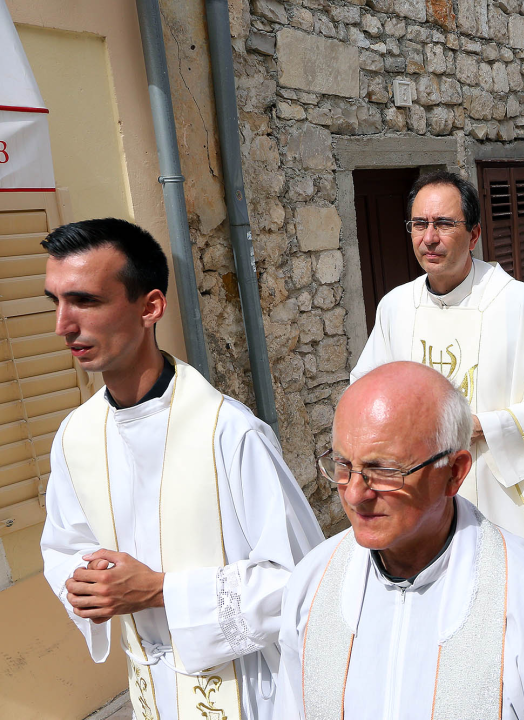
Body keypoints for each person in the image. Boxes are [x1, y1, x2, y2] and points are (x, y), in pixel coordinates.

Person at [38, 219, 324, 720]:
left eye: (85, 301)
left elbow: (301, 583)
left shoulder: (228, 432)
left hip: (245, 691)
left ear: (150, 307)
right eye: (55, 302)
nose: (63, 325)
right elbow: (64, 545)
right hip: (149, 688)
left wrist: (160, 590)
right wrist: (83, 582)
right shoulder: (75, 436)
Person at [275, 362, 524, 719]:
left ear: (454, 472)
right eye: (343, 466)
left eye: (384, 470)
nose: (355, 494)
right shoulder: (312, 586)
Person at [348, 171, 524, 611]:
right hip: (416, 491)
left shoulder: (516, 304)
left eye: (444, 224)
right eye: (419, 224)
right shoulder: (396, 307)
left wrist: (487, 427)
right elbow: (365, 394)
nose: (430, 238)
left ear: (474, 234)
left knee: (504, 604)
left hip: (498, 489)